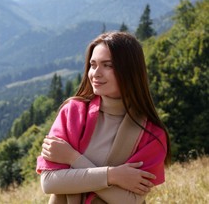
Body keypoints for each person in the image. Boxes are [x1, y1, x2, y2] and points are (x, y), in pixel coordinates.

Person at [36, 31, 171, 204]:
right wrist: (113, 175)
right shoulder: (73, 113)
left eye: (107, 65)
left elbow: (128, 201)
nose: (96, 73)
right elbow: (49, 183)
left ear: (130, 70)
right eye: (93, 65)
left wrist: (72, 159)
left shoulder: (151, 135)